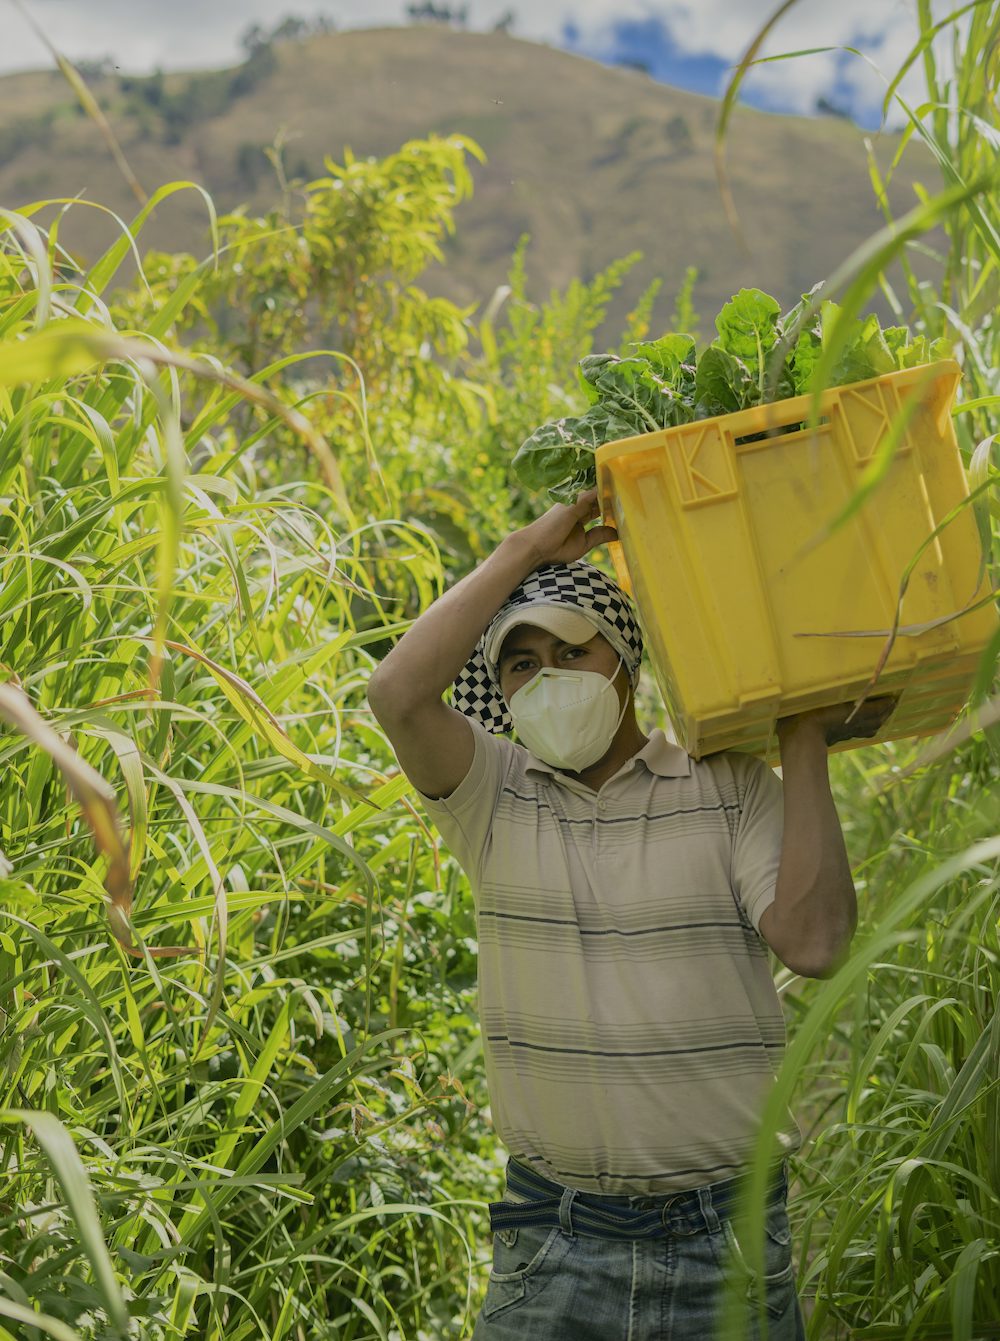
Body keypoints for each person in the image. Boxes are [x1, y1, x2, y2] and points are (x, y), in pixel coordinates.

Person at [366, 488, 892, 1340]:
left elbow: (817, 939)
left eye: (567, 652)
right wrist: (522, 552)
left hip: (727, 1246)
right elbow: (394, 694)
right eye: (520, 664)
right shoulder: (492, 797)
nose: (544, 678)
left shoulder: (730, 790)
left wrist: (803, 733)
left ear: (621, 660)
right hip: (554, 1244)